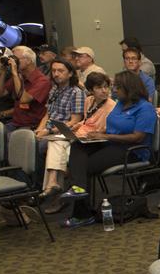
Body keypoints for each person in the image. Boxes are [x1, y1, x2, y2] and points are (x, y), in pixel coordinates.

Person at [56, 71, 157, 227]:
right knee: (78, 145)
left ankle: (81, 210)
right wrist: (98, 134)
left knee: (84, 166)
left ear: (129, 88)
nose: (114, 90)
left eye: (118, 87)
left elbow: (138, 137)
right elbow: (112, 127)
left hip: (133, 150)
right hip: (111, 143)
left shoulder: (145, 108)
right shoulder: (121, 104)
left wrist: (108, 137)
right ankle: (79, 193)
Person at [39, 72, 116, 208]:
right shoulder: (89, 101)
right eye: (99, 88)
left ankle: (54, 187)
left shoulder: (111, 106)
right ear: (91, 90)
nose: (104, 91)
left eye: (106, 87)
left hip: (93, 142)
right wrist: (75, 127)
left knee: (60, 150)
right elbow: (86, 121)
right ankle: (56, 186)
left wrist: (85, 133)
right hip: (80, 135)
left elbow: (104, 129)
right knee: (55, 142)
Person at [33, 59, 86, 173]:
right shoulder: (54, 89)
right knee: (27, 143)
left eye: (60, 71)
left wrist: (48, 131)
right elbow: (47, 114)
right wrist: (39, 129)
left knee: (37, 148)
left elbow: (74, 121)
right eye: (53, 71)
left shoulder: (76, 92)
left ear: (70, 73)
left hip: (62, 133)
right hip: (48, 130)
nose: (56, 74)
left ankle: (39, 184)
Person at [7, 47, 51, 132]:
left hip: (31, 126)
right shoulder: (20, 76)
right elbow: (0, 93)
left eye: (16, 59)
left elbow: (24, 99)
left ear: (28, 60)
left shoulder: (42, 81)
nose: (13, 62)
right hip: (15, 123)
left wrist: (15, 74)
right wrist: (4, 70)